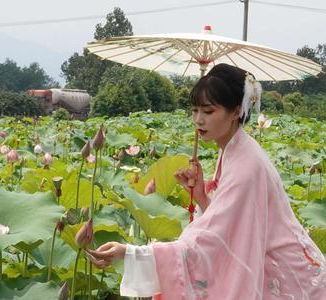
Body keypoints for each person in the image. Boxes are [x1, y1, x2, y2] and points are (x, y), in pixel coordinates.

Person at [87, 64, 326, 299]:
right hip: (284, 273)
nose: (199, 120)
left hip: (292, 283)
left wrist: (131, 253)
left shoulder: (246, 166)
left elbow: (211, 242)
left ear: (235, 112)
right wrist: (201, 194)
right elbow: (233, 229)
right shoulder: (234, 150)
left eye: (209, 111)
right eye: (194, 110)